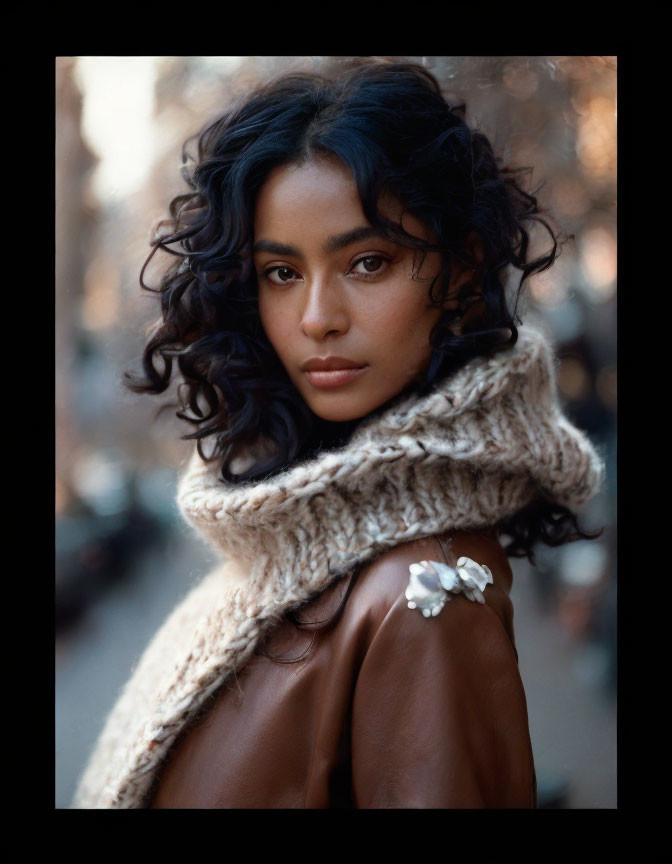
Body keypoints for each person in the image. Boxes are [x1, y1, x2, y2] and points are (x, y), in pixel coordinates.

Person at [72, 59, 604, 809]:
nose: (318, 315)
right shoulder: (281, 535)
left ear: (459, 271)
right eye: (282, 273)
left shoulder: (424, 600)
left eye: (367, 261)